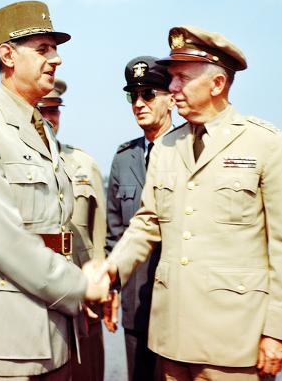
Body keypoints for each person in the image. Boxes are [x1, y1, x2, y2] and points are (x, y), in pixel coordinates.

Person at [104, 26, 282, 380]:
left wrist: (278, 331)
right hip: (171, 340)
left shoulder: (265, 144)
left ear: (217, 84)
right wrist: (109, 271)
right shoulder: (167, 147)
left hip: (236, 342)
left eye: (182, 78)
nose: (172, 88)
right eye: (171, 78)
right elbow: (146, 222)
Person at [0, 1, 109, 381]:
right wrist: (81, 288)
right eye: (43, 49)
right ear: (8, 56)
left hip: (54, 323)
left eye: (55, 49)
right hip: (3, 332)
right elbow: (4, 239)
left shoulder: (41, 130)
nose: (56, 59)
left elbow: (58, 226)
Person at [105, 56, 175, 381]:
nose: (138, 103)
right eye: (132, 96)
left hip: (179, 303)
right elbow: (114, 233)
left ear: (171, 99)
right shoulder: (123, 159)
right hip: (136, 304)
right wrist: (112, 290)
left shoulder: (190, 150)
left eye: (148, 94)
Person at [37, 79, 106, 381]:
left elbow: (99, 239)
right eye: (40, 111)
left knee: (87, 373)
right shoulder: (11, 166)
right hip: (37, 299)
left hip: (83, 300)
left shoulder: (84, 164)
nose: (48, 119)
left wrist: (100, 291)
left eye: (53, 111)